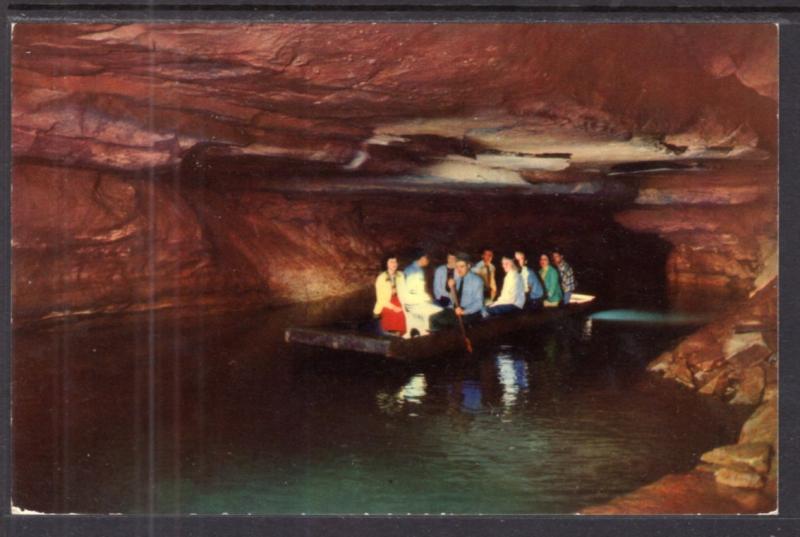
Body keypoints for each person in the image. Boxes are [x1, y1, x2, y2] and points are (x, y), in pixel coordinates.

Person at [430, 253, 486, 330]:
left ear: (468, 266)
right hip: (457, 310)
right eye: (457, 267)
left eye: (462, 266)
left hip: (470, 312)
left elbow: (479, 303)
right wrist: (451, 288)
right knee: (433, 318)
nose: (459, 270)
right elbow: (454, 299)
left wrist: (464, 311)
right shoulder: (458, 279)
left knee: (453, 325)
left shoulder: (477, 280)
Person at [401, 251, 443, 336]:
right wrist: (427, 298)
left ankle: (425, 331)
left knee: (435, 306)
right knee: (439, 311)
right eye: (427, 258)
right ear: (422, 258)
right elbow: (412, 291)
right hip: (413, 303)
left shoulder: (415, 269)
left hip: (414, 301)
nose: (428, 261)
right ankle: (427, 333)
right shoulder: (414, 271)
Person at [373, 255, 406, 335]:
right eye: (391, 262)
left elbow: (404, 291)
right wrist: (394, 308)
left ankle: (401, 334)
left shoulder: (400, 275)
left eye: (395, 261)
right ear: (386, 264)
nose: (394, 264)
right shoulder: (381, 278)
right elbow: (381, 300)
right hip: (386, 303)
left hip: (398, 299)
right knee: (398, 314)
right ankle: (393, 334)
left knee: (407, 311)